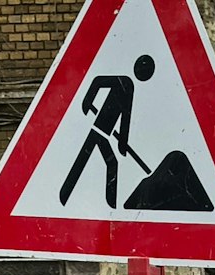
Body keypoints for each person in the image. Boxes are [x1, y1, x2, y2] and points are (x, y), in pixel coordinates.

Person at [61, 55, 156, 209]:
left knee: (93, 161)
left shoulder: (128, 86)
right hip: (98, 129)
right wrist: (87, 101)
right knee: (99, 161)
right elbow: (98, 81)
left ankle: (107, 205)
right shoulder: (124, 81)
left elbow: (126, 117)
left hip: (104, 133)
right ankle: (108, 205)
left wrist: (122, 143)